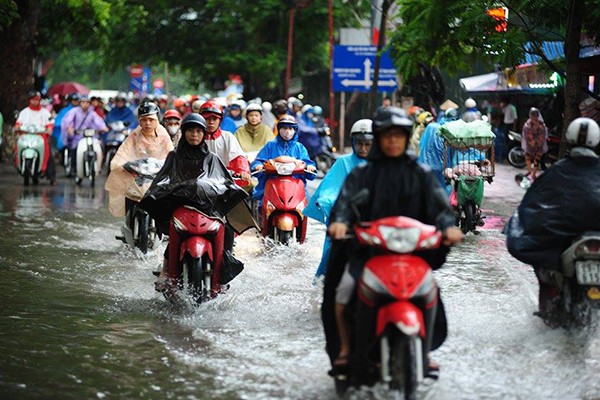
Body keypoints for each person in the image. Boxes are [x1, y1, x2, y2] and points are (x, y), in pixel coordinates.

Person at [325, 107, 464, 382]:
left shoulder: (421, 173)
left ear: (406, 138)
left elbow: (440, 206)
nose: (392, 141)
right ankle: (345, 347)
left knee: (430, 289)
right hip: (369, 251)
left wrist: (448, 227)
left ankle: (424, 351)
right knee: (343, 290)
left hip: (411, 251)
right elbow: (344, 204)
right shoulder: (361, 174)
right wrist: (340, 221)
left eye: (398, 136)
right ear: (379, 138)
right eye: (387, 136)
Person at [139, 113, 253, 290]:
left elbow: (224, 181)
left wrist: (230, 188)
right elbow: (162, 180)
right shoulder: (174, 157)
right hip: (181, 209)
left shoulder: (212, 159)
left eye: (199, 131)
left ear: (203, 134)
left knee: (227, 230)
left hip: (209, 210)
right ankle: (166, 270)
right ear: (184, 132)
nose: (194, 134)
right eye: (191, 130)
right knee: (173, 232)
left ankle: (222, 274)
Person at [506, 117, 600, 324]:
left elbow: (533, 207)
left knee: (544, 267)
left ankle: (549, 308)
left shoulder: (556, 172)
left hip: (565, 242)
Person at [304, 119, 373, 279]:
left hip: (374, 220)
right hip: (347, 219)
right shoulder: (343, 162)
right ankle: (323, 282)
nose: (363, 148)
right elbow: (330, 189)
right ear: (353, 143)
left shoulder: (383, 164)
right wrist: (326, 201)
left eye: (368, 144)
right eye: (359, 144)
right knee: (331, 253)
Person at [105, 102, 174, 218]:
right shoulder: (135, 135)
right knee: (128, 191)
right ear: (139, 121)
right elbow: (124, 150)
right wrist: (118, 163)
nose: (147, 123)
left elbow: (171, 153)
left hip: (156, 176)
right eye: (144, 120)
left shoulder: (163, 134)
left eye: (151, 120)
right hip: (137, 174)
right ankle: (129, 218)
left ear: (157, 119)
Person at [250, 115, 317, 205]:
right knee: (262, 202)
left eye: (290, 128)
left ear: (295, 130)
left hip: (295, 185)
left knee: (305, 203)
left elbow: (307, 162)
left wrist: (310, 167)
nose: (287, 131)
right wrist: (257, 165)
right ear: (279, 129)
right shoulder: (270, 145)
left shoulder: (299, 147)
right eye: (284, 128)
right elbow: (258, 160)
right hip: (272, 183)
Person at [198, 100, 251, 181]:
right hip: (200, 179)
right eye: (207, 119)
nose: (211, 122)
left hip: (225, 180)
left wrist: (243, 171)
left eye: (215, 119)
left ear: (220, 120)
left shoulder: (228, 136)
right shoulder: (196, 137)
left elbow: (238, 157)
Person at [61, 95, 109, 182]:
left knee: (99, 148)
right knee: (74, 150)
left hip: (91, 135)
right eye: (83, 102)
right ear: (80, 103)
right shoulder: (74, 111)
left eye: (87, 103)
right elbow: (68, 121)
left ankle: (98, 167)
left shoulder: (92, 113)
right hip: (77, 136)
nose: (85, 104)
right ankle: (73, 168)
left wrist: (103, 127)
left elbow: (98, 121)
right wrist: (69, 128)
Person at [15, 91, 57, 185]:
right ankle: (18, 165)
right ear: (30, 100)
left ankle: (52, 177)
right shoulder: (25, 112)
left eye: (36, 100)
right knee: (17, 148)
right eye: (33, 100)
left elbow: (50, 122)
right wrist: (17, 127)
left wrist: (49, 129)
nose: (35, 102)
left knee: (49, 153)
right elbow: (19, 122)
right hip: (26, 135)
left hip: (40, 136)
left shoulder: (44, 112)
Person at [521, 107, 548, 180]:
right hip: (531, 144)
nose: (533, 116)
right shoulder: (528, 124)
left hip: (538, 145)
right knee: (528, 158)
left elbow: (543, 134)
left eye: (534, 115)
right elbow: (526, 134)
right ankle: (530, 172)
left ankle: (533, 173)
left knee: (536, 159)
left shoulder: (540, 124)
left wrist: (537, 141)